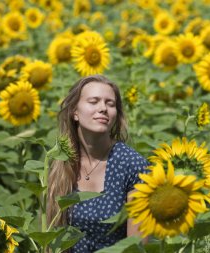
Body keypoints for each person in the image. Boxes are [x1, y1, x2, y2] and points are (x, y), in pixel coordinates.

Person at [47, 74, 149, 252]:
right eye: (94, 101)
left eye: (110, 104)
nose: (103, 108)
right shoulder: (62, 162)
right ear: (74, 112)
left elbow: (137, 246)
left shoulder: (133, 166)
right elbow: (52, 236)